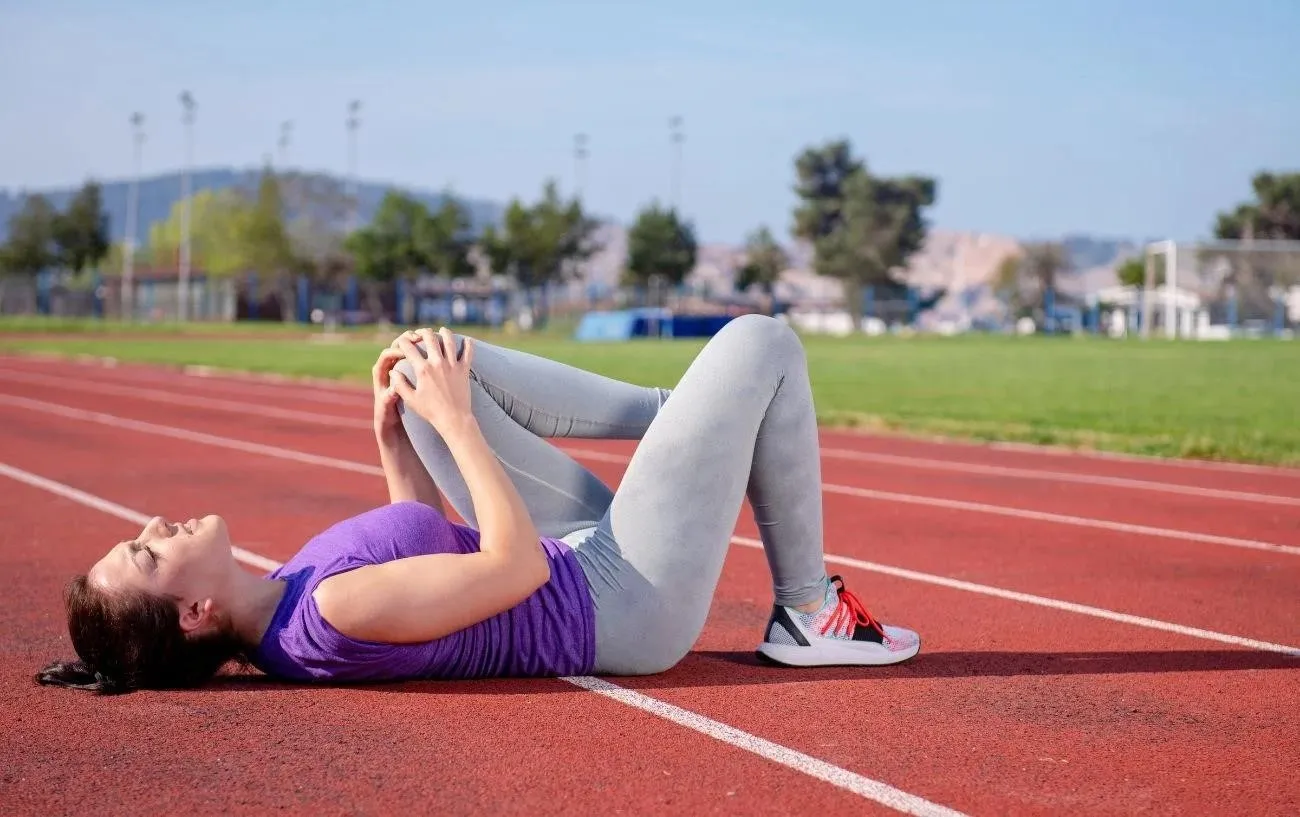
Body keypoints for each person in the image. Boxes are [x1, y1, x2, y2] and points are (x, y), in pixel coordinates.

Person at [37, 315, 920, 694]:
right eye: (147, 555)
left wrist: (395, 437)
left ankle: (688, 419)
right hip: (618, 599)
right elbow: (511, 566)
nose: (153, 527)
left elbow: (425, 545)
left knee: (421, 354)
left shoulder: (287, 596)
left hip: (575, 557)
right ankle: (810, 610)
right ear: (193, 614)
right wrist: (453, 425)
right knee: (763, 341)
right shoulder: (327, 613)